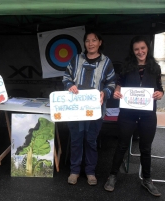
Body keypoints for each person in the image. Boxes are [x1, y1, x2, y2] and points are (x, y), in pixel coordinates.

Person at [104, 36, 164, 197]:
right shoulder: (126, 66)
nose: (140, 52)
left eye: (142, 48)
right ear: (133, 50)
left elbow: (160, 87)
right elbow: (119, 84)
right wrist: (116, 92)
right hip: (127, 114)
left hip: (148, 114)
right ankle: (113, 176)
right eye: (136, 49)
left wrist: (160, 94)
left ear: (147, 48)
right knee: (122, 145)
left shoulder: (155, 67)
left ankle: (147, 180)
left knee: (146, 148)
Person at [62, 30, 116, 185]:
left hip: (95, 110)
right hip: (76, 110)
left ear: (100, 42)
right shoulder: (76, 59)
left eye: (94, 40)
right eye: (87, 41)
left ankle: (90, 172)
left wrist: (104, 93)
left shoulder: (106, 62)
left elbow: (111, 83)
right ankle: (74, 171)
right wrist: (70, 85)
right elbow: (66, 76)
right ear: (84, 43)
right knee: (76, 139)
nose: (90, 44)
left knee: (91, 140)